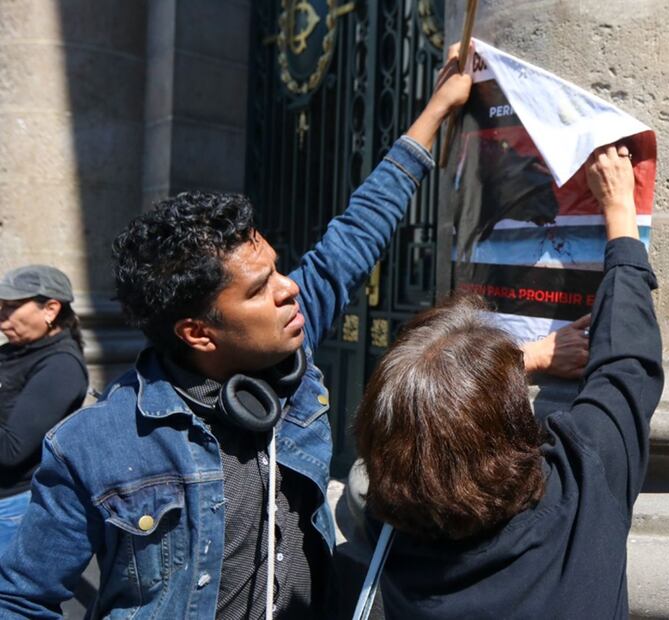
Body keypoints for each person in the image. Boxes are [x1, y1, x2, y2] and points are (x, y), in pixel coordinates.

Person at [0, 44, 583, 619]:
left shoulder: (288, 352)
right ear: (198, 333)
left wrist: (435, 111)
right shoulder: (91, 446)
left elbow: (354, 237)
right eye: (258, 289)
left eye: (277, 269)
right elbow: (20, 599)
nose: (289, 288)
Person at [353, 143, 663, 619]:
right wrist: (621, 214)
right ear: (509, 425)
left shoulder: (388, 533)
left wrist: (529, 357)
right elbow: (627, 362)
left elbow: (432, 429)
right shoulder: (583, 491)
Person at [0, 265, 87, 552]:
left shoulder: (60, 366)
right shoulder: (14, 352)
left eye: (11, 307)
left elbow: (12, 450)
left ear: (50, 309)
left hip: (13, 508)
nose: (2, 317)